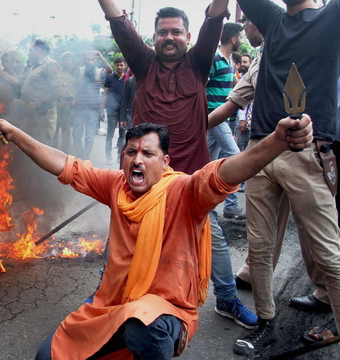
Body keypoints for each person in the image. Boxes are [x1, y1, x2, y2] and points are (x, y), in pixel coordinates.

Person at [0, 111, 313, 360]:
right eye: (131, 153)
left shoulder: (184, 192)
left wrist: (277, 142)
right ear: (122, 158)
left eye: (147, 154)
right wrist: (15, 134)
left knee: (142, 326)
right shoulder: (116, 186)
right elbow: (65, 165)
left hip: (166, 312)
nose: (137, 159)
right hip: (110, 304)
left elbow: (224, 173)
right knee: (48, 356)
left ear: (165, 161)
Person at [100, 0, 258, 329]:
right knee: (124, 240)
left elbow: (214, 17)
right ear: (153, 37)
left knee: (211, 237)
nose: (169, 37)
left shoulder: (199, 64)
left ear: (187, 36)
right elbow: (119, 22)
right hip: (145, 180)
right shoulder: (142, 63)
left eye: (176, 32)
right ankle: (106, 298)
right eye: (162, 32)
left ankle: (227, 299)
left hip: (191, 180)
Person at [232, 0, 340, 355]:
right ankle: (266, 324)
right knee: (260, 249)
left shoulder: (331, 15)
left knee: (329, 253)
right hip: (260, 149)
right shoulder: (274, 18)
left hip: (309, 151)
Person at [206, 22, 247, 221]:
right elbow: (200, 85)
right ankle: (231, 206)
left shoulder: (230, 61)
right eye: (240, 36)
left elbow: (236, 86)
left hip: (220, 118)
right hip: (214, 116)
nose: (242, 40)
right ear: (233, 39)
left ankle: (204, 202)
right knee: (234, 155)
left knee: (205, 161)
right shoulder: (214, 58)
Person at [72, 51, 110, 160]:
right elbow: (70, 70)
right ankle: (80, 155)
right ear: (85, 61)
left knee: (89, 138)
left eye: (93, 60)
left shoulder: (99, 72)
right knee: (76, 135)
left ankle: (85, 157)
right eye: (88, 60)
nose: (90, 62)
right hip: (79, 108)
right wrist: (80, 58)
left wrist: (101, 57)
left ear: (96, 61)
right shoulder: (80, 71)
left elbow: (110, 70)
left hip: (93, 110)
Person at [101, 56, 127, 165]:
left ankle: (119, 156)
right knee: (110, 134)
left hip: (124, 111)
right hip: (112, 110)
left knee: (123, 135)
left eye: (121, 65)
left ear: (125, 66)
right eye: (117, 65)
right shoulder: (110, 78)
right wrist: (102, 110)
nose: (119, 67)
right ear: (115, 66)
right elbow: (105, 94)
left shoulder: (128, 79)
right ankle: (108, 157)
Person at [54, 52, 77, 153]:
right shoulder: (57, 72)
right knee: (54, 127)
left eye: (69, 59)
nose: (67, 61)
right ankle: (53, 150)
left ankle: (64, 152)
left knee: (66, 129)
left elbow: (79, 88)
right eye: (64, 59)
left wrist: (75, 99)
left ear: (72, 61)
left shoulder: (76, 73)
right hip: (57, 102)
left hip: (68, 103)